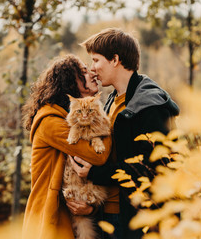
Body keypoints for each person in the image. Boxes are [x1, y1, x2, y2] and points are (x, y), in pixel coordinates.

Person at [69, 28, 180, 239]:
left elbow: (150, 167)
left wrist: (93, 173)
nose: (92, 69)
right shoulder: (112, 101)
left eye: (96, 60)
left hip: (134, 219)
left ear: (115, 59)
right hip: (106, 214)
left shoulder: (150, 105)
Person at [21, 54, 112, 239]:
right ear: (70, 82)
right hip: (49, 218)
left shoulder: (66, 118)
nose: (92, 74)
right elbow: (98, 156)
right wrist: (104, 122)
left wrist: (89, 207)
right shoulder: (50, 122)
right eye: (84, 72)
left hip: (68, 215)